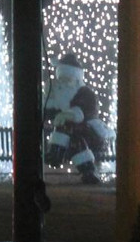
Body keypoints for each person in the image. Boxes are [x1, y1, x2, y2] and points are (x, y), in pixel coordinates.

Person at [43, 53, 113, 185]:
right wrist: (48, 98)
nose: (64, 82)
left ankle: (56, 153)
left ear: (76, 78)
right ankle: (88, 172)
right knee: (72, 134)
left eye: (67, 78)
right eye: (61, 78)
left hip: (92, 134)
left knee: (69, 126)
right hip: (72, 139)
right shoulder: (58, 93)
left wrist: (67, 115)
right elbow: (48, 114)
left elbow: (85, 112)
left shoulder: (86, 93)